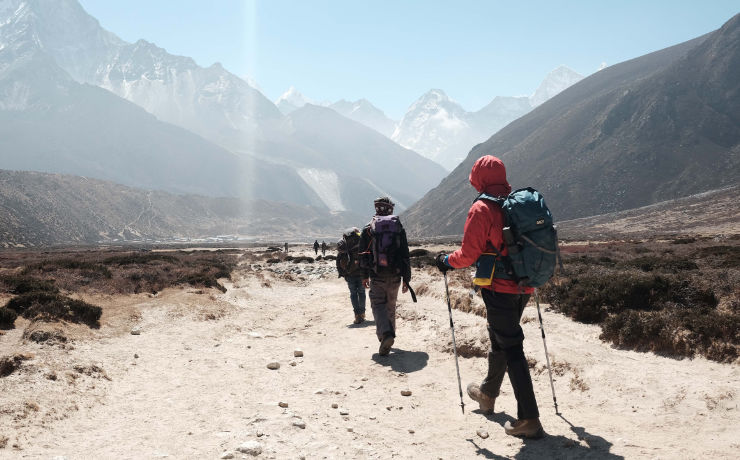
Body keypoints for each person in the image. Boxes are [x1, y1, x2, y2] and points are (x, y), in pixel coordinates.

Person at [435, 155, 543, 439]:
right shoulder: (517, 204)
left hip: (498, 288)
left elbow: (468, 254)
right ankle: (487, 394)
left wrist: (445, 260)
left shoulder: (482, 208)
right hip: (524, 285)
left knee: (511, 347)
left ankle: (529, 419)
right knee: (501, 339)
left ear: (479, 178)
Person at [359, 197, 411, 356]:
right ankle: (390, 335)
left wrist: (364, 275)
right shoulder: (398, 227)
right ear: (391, 209)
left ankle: (386, 335)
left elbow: (363, 254)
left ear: (377, 209)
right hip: (395, 275)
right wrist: (406, 279)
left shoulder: (369, 229)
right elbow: (404, 254)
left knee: (377, 305)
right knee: (390, 306)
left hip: (377, 275)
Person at [336, 227, 366, 324]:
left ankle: (357, 315)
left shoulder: (345, 243)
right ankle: (362, 314)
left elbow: (338, 259)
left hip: (349, 274)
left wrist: (342, 273)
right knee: (361, 293)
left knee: (353, 294)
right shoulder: (361, 241)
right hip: (361, 273)